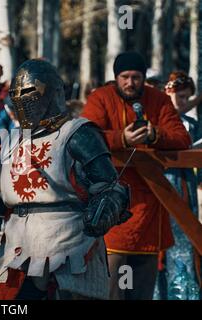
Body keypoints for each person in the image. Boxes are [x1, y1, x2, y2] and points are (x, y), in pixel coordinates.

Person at [0, 59, 130, 300]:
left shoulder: (78, 133)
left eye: (29, 93)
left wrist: (108, 203)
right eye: (16, 94)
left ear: (51, 93)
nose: (22, 100)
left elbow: (110, 185)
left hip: (69, 243)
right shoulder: (11, 138)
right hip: (18, 243)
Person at [81, 51, 192, 300]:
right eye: (125, 77)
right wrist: (121, 138)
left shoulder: (159, 100)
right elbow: (85, 137)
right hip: (111, 204)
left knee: (141, 289)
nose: (130, 83)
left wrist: (155, 136)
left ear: (143, 78)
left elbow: (182, 138)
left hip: (150, 206)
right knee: (112, 289)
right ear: (116, 77)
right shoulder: (100, 98)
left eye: (136, 77)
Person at [156, 71, 201, 300]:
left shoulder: (193, 124)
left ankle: (183, 293)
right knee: (159, 243)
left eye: (186, 97)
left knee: (185, 241)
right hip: (161, 186)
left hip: (186, 186)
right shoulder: (158, 120)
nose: (182, 102)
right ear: (167, 94)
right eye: (178, 97)